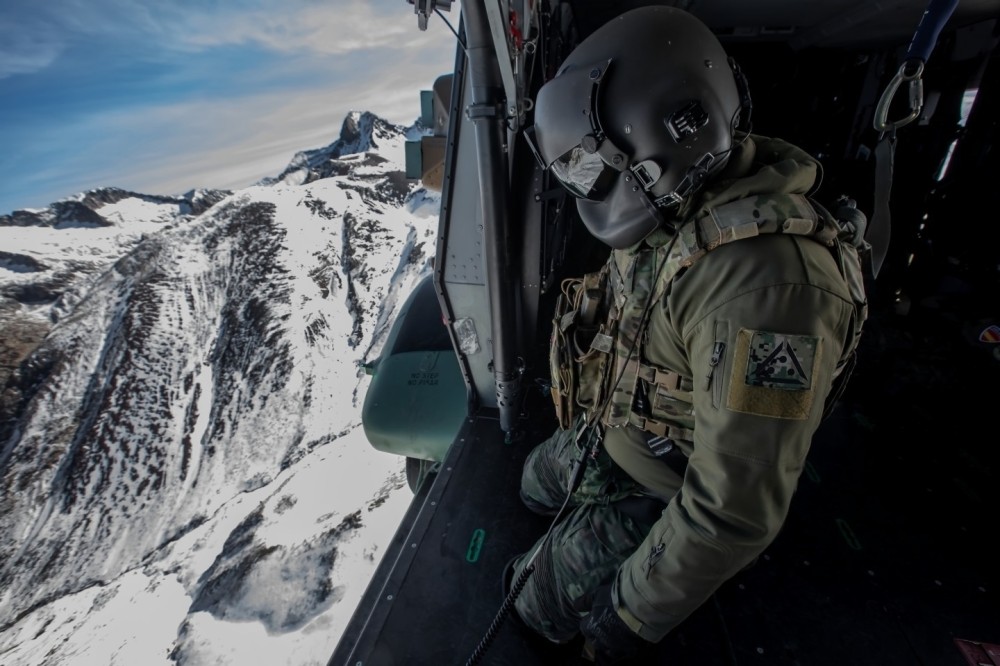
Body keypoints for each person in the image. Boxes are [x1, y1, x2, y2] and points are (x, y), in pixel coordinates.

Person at [509, 5, 870, 663]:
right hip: (616, 429)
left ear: (669, 133)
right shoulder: (675, 209)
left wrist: (627, 616)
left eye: (594, 166)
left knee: (528, 606)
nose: (590, 188)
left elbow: (734, 506)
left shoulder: (767, 291)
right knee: (530, 484)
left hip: (665, 480)